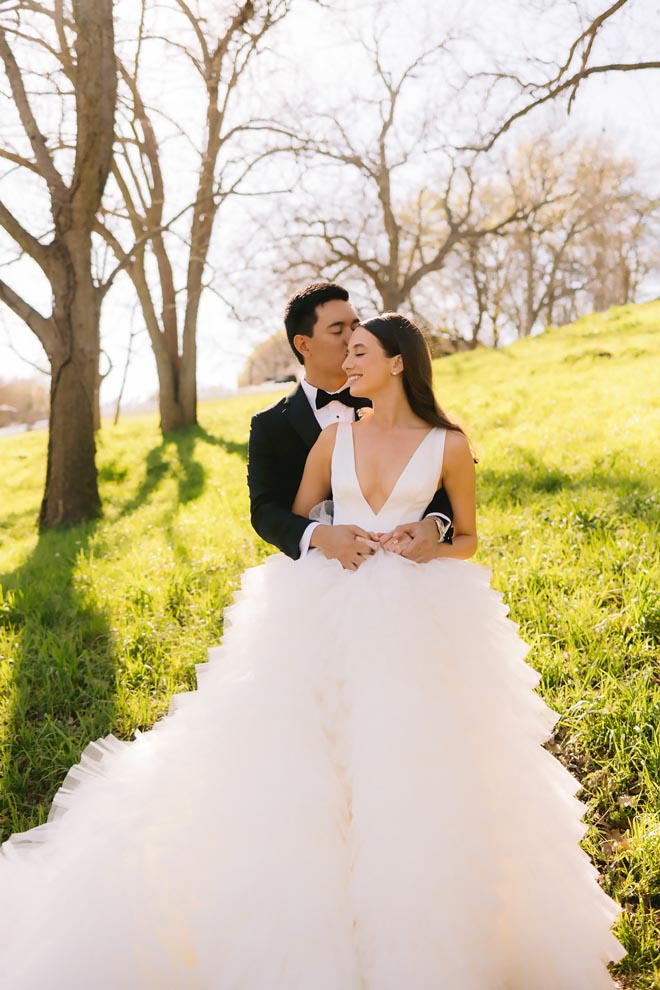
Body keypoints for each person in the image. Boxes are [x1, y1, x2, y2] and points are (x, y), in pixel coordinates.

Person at [0, 314, 625, 989]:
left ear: (398, 364)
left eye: (360, 352)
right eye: (344, 347)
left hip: (423, 615)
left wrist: (432, 536)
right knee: (314, 765)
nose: (348, 362)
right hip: (331, 605)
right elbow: (295, 520)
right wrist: (329, 538)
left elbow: (469, 537)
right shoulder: (331, 439)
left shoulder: (449, 444)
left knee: (418, 768)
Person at [248, 281, 454, 567]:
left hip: (407, 564)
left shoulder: (388, 396)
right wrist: (321, 536)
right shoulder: (269, 424)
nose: (352, 336)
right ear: (303, 344)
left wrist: (434, 525)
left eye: (355, 325)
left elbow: (440, 470)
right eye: (337, 330)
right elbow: (265, 510)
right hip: (321, 570)